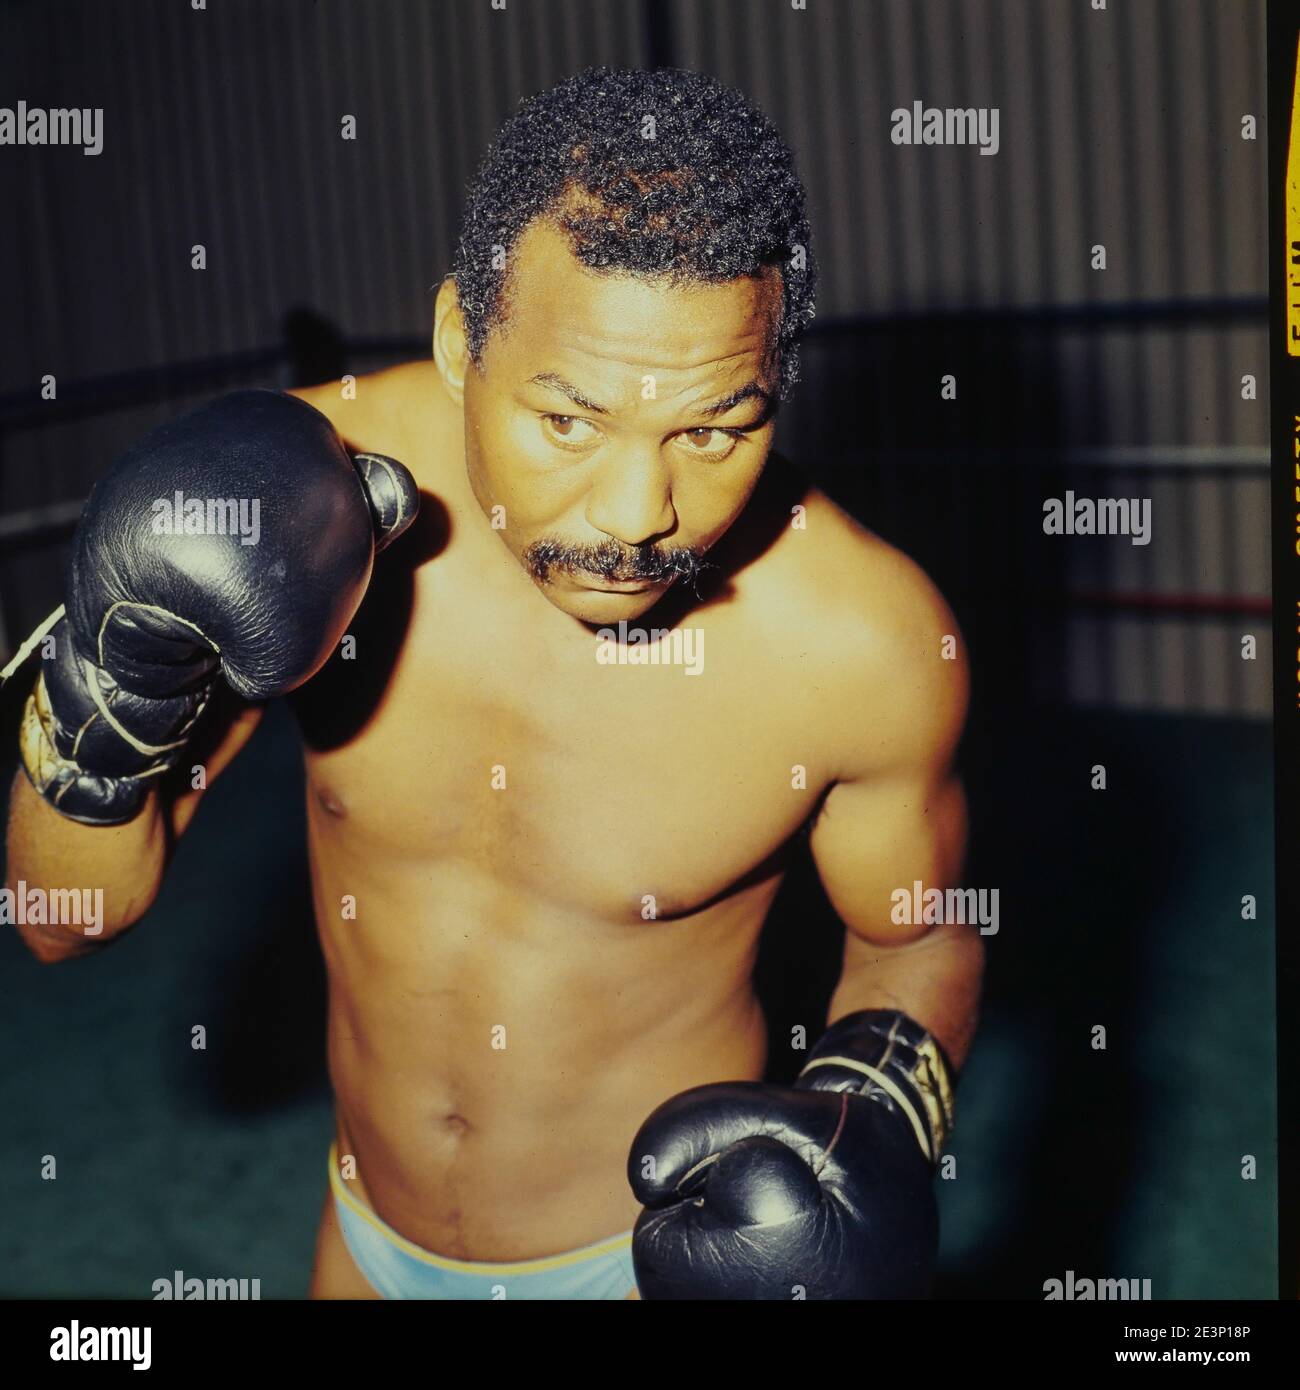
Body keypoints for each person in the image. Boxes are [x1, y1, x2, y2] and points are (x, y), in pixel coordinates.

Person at [4, 66, 982, 1300]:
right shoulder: (302, 506)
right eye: (568, 421)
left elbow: (919, 929)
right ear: (461, 337)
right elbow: (58, 920)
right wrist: (106, 688)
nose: (636, 514)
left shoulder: (862, 643)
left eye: (714, 429)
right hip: (363, 1233)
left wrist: (880, 1105)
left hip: (636, 1265)